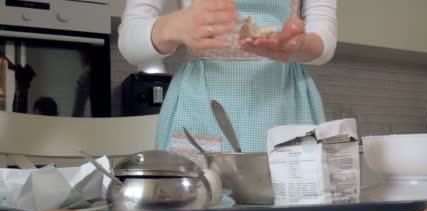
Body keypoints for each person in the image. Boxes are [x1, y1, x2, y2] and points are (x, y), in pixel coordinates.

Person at [119, 0, 337, 152]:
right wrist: (174, 26)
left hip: (285, 102)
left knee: (297, 208)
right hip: (200, 105)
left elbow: (324, 37)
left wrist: (298, 45)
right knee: (198, 206)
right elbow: (129, 40)